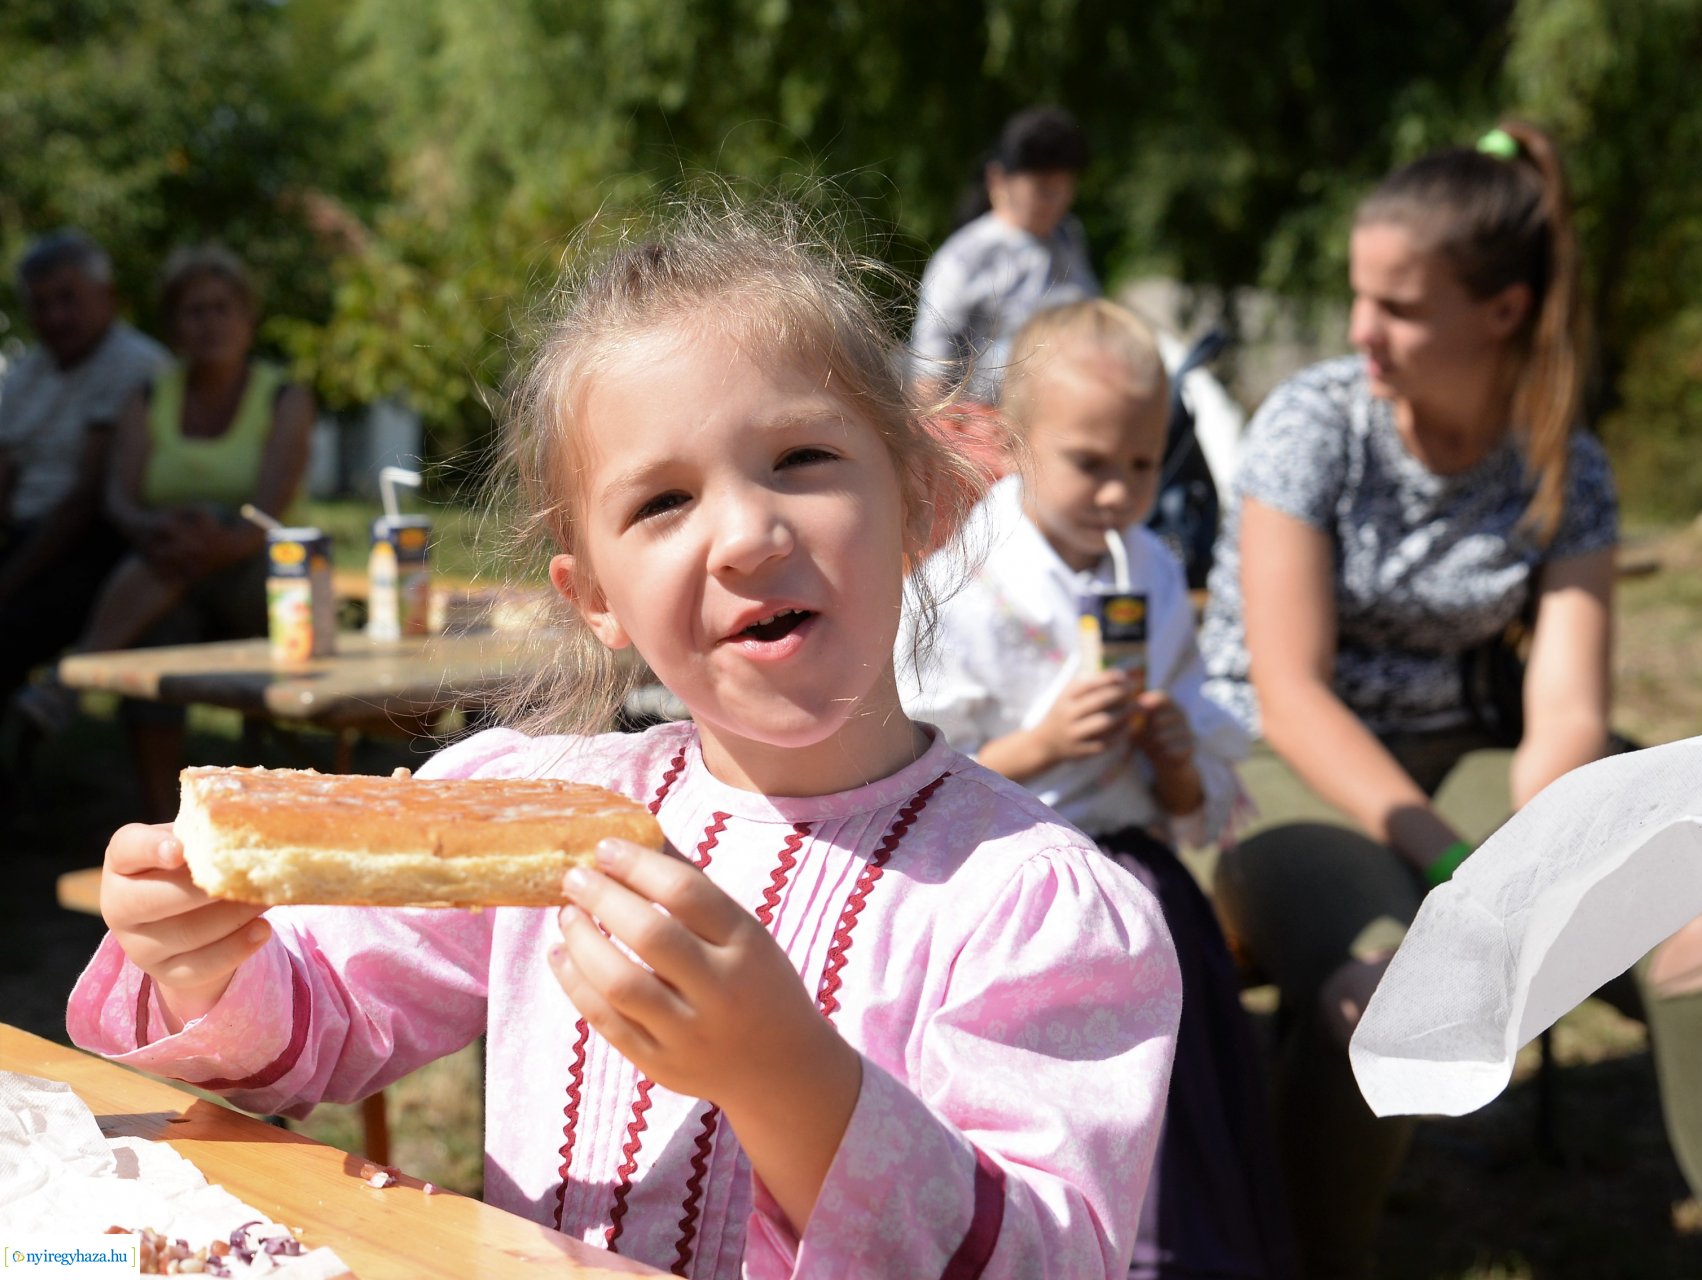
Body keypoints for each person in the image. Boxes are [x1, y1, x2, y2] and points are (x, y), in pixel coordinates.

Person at [67, 198, 1182, 1277]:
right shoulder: (537, 817)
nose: (746, 534)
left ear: (924, 504)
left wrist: (787, 1074)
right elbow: (325, 1025)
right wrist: (202, 960)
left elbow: (1046, 1255)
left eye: (801, 457)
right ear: (594, 594)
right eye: (662, 503)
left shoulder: (1031, 910)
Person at [1196, 123, 1702, 1280]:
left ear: (1501, 311)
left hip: (1472, 751)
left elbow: (1561, 721)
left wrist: (1558, 857)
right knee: (1383, 986)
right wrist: (1455, 864)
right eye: (1361, 297)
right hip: (1278, 761)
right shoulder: (1316, 424)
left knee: (1694, 934)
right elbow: (1291, 693)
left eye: (1398, 306)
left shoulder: (1565, 461)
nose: (1362, 332)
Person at [902, 298, 1292, 1279]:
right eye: (1090, 463)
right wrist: (1037, 745)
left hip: (1130, 870)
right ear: (1020, 445)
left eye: (1144, 464)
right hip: (998, 875)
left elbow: (1195, 766)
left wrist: (1168, 750)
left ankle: (1182, 1245)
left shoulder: (1152, 568)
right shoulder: (966, 579)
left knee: (1176, 1025)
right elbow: (910, 753)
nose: (1119, 491)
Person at [79, 245, 313, 820]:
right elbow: (121, 500)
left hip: (257, 571)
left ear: (247, 318)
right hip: (169, 562)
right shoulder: (149, 396)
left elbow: (269, 512)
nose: (209, 323)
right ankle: (166, 819)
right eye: (194, 311)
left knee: (187, 555)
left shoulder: (284, 397)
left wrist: (203, 542)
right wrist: (158, 531)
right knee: (164, 633)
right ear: (174, 324)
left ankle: (79, 670)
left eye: (221, 308)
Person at [0, 231, 168, 723]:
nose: (55, 317)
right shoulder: (27, 372)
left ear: (107, 296)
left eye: (67, 300)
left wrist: (8, 580)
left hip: (94, 544)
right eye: (42, 304)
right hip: (26, 534)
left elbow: (86, 498)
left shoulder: (136, 365)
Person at [909, 104, 1098, 406]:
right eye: (1044, 189)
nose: (1057, 201)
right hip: (988, 428)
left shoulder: (1068, 237)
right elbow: (930, 368)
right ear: (998, 179)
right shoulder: (967, 257)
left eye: (1066, 188)